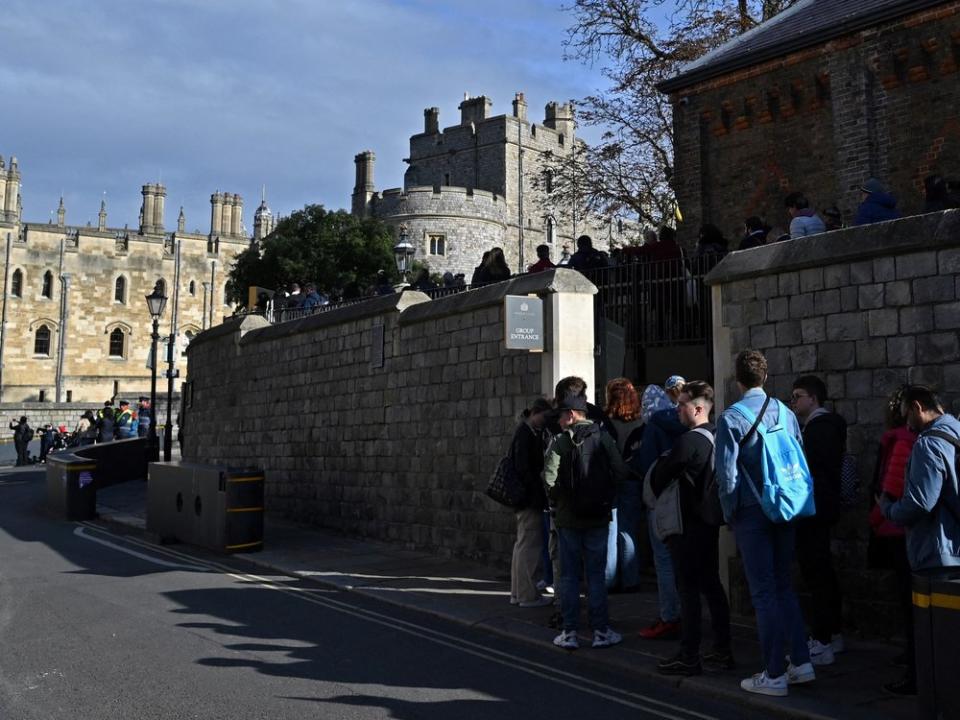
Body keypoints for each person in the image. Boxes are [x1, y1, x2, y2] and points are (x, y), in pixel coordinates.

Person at [716, 349, 814, 696]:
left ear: (737, 380)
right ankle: (801, 663)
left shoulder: (731, 418)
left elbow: (726, 477)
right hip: (786, 505)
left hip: (752, 510)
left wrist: (729, 514)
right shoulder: (785, 412)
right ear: (766, 377)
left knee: (763, 593)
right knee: (784, 585)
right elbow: (798, 452)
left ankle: (773, 674)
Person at [879, 384, 960, 695]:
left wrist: (888, 508)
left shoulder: (928, 444)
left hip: (935, 550)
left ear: (917, 407)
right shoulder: (955, 430)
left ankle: (935, 694)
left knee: (932, 634)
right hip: (956, 545)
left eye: (906, 415)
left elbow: (920, 503)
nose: (905, 423)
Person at [651, 381, 733, 676]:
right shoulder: (718, 436)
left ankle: (689, 655)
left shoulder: (688, 442)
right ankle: (722, 649)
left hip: (686, 525)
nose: (677, 409)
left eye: (682, 404)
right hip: (709, 522)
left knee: (688, 591)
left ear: (698, 408)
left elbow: (660, 477)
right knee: (712, 586)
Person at [542, 393, 630, 650]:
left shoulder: (560, 441)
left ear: (571, 415)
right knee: (596, 575)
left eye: (560, 416)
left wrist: (561, 500)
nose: (558, 421)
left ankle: (569, 632)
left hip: (568, 519)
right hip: (598, 517)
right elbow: (621, 471)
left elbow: (548, 479)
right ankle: (600, 631)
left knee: (569, 576)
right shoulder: (603, 437)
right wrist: (606, 496)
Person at [790, 375, 847, 665]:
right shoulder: (825, 427)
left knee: (817, 575)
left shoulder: (818, 430)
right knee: (822, 572)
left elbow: (811, 469)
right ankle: (833, 634)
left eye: (798, 395)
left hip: (813, 509)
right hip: (822, 508)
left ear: (813, 398)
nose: (794, 401)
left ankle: (822, 640)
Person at [868, 386, 918, 694]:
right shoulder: (913, 439)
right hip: (907, 532)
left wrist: (876, 517)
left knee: (909, 602)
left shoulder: (898, 441)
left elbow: (890, 486)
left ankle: (915, 669)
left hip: (896, 530)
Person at [636, 375, 687, 640]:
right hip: (686, 498)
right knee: (687, 560)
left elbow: (647, 465)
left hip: (660, 499)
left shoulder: (653, 426)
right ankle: (687, 613)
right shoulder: (686, 422)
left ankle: (670, 615)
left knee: (664, 561)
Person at [509, 398, 553, 608]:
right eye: (543, 417)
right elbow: (526, 469)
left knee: (522, 545)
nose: (544, 422)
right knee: (529, 546)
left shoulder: (525, 432)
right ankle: (527, 595)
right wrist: (538, 490)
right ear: (535, 413)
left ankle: (518, 593)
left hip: (522, 498)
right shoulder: (525, 434)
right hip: (528, 498)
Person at [604, 378, 644, 591]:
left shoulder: (606, 423)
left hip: (611, 480)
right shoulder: (640, 423)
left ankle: (608, 580)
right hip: (632, 479)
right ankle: (631, 579)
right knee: (628, 531)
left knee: (609, 531)